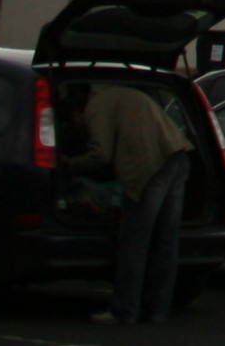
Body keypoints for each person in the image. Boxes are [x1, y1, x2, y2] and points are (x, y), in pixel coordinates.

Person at [71, 77, 192, 323]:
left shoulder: (95, 107)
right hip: (177, 156)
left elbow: (100, 154)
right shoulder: (123, 93)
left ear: (76, 111)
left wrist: (69, 164)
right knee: (166, 240)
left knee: (135, 241)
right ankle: (157, 309)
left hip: (147, 168)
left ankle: (124, 310)